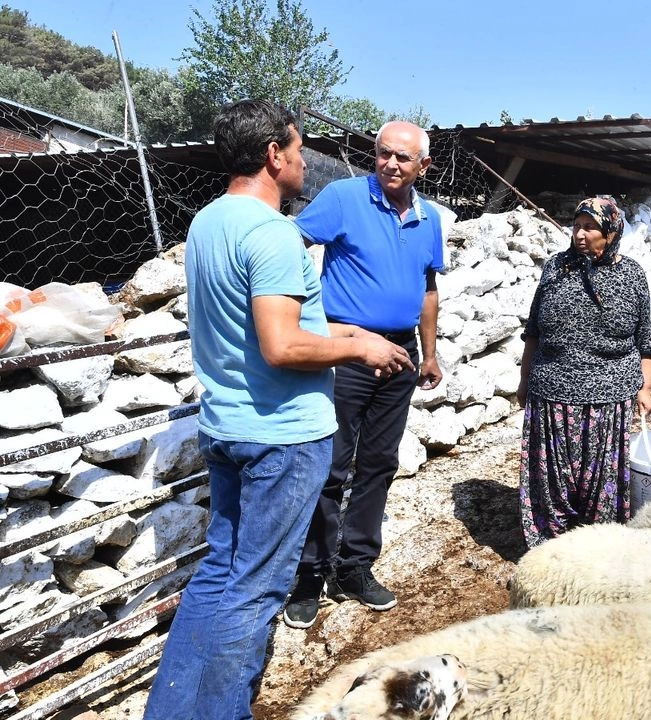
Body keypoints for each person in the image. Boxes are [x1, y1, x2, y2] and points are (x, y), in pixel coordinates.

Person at [142, 100, 412, 720]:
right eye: (296, 148)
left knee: (220, 574)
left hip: (229, 426)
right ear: (273, 155)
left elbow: (264, 322)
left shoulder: (210, 221)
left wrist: (345, 332)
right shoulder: (272, 232)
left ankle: (175, 711)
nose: (301, 159)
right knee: (256, 591)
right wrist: (357, 345)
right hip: (281, 438)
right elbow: (283, 343)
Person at [282, 120, 445, 628]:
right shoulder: (344, 197)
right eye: (383, 154)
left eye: (403, 158)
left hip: (399, 354)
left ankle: (354, 568)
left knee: (378, 463)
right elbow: (289, 246)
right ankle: (309, 576)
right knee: (329, 465)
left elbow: (427, 288)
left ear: (423, 166)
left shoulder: (428, 218)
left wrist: (430, 353)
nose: (391, 164)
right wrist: (326, 324)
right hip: (348, 352)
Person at [515, 196, 651, 548]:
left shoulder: (631, 274)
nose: (579, 234)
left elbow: (645, 340)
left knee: (600, 482)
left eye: (590, 227)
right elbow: (533, 329)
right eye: (576, 226)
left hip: (609, 397)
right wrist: (523, 379)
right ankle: (551, 548)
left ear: (610, 233)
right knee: (552, 481)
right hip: (552, 392)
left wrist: (646, 387)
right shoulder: (555, 268)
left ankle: (596, 550)